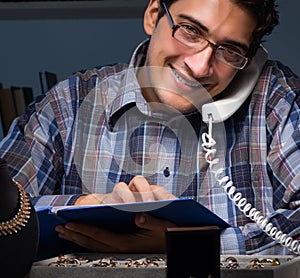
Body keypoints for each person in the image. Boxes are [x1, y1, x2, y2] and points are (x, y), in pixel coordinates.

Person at [0, 0, 300, 256]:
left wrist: (193, 244)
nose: (200, 66)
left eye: (229, 50)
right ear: (153, 15)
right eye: (190, 30)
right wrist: (86, 205)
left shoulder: (275, 100)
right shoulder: (68, 103)